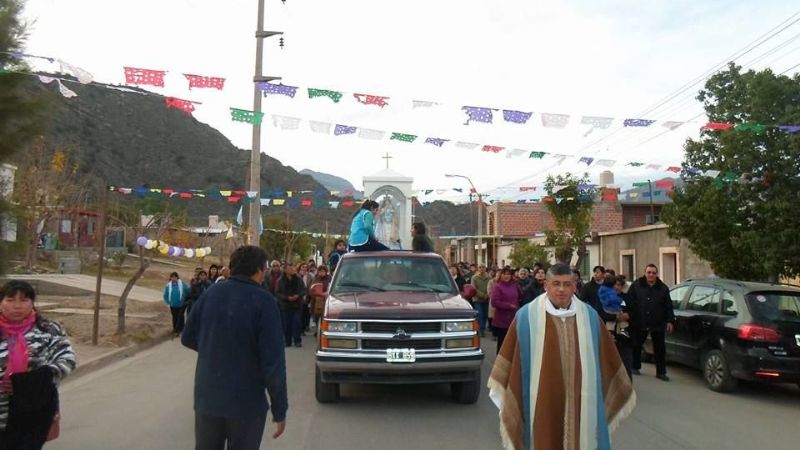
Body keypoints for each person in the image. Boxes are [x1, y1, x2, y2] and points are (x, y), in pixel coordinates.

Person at [487, 263, 635, 449]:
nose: (561, 289)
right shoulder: (526, 318)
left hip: (583, 402)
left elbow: (607, 359)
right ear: (546, 286)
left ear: (575, 286)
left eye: (567, 284)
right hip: (542, 402)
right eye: (556, 284)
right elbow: (510, 364)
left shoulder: (590, 317)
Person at [182, 246, 287, 450]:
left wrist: (215, 349)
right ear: (258, 269)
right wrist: (279, 409)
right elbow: (273, 363)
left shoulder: (211, 293)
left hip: (208, 398)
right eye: (264, 269)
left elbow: (187, 337)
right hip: (246, 403)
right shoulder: (264, 301)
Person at [0, 280, 76, 449]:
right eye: (10, 300)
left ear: (32, 303)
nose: (17, 306)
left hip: (34, 412)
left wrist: (29, 382)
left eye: (24, 300)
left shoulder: (48, 329)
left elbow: (67, 360)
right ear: (1, 302)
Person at [629, 264, 674, 381]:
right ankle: (635, 366)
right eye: (649, 272)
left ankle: (661, 372)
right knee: (636, 345)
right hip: (640, 321)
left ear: (657, 274)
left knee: (660, 348)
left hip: (657, 322)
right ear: (645, 273)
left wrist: (669, 320)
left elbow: (668, 305)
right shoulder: (636, 285)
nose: (651, 275)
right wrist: (629, 315)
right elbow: (629, 301)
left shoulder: (663, 288)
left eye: (653, 273)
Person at [490, 268, 522, 353]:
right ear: (501, 275)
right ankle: (500, 364)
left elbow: (520, 297)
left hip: (514, 317)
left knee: (514, 344)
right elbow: (494, 302)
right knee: (502, 344)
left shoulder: (514, 285)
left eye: (508, 274)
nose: (506, 276)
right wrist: (508, 305)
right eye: (504, 274)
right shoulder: (498, 286)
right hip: (502, 319)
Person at [276, 262, 306, 347]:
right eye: (290, 268)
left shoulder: (299, 279)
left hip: (297, 305)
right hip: (285, 306)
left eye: (293, 268)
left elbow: (303, 290)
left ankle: (297, 341)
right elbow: (278, 293)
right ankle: (287, 341)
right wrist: (286, 297)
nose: (292, 270)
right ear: (285, 270)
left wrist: (298, 295)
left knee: (296, 323)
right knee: (286, 324)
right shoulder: (280, 280)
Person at [598, 273, 630, 338]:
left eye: (618, 285)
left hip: (623, 337)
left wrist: (627, 315)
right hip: (607, 329)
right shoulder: (605, 297)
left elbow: (631, 311)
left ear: (622, 287)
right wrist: (615, 317)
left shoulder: (627, 298)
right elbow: (600, 313)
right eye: (615, 285)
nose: (616, 287)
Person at [163, 272, 189, 336]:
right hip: (173, 305)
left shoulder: (182, 284)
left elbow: (188, 291)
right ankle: (175, 329)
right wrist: (168, 302)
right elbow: (165, 295)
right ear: (171, 278)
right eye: (172, 277)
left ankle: (181, 329)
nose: (174, 278)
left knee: (180, 317)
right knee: (174, 317)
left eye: (175, 277)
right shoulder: (168, 286)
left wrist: (186, 300)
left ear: (177, 277)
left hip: (181, 304)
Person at [309, 265, 331, 337]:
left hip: (326, 300)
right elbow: (311, 289)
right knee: (316, 316)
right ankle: (317, 330)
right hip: (316, 301)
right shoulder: (315, 279)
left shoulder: (329, 279)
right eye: (320, 271)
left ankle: (322, 330)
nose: (321, 273)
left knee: (323, 316)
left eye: (323, 271)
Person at [471, 265, 491, 337]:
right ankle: (480, 330)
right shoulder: (474, 277)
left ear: (485, 268)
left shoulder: (489, 277)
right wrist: (482, 295)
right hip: (477, 299)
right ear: (478, 268)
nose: (481, 269)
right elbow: (474, 288)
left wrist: (487, 295)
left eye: (483, 267)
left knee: (485, 315)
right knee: (480, 314)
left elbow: (490, 287)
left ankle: (482, 328)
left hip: (487, 299)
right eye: (480, 267)